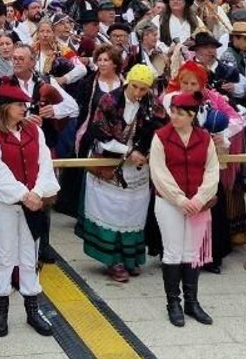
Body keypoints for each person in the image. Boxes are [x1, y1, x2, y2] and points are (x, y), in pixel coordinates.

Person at [0, 77, 58, 338]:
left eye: (25, 104)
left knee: (29, 256)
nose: (25, 108)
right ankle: (1, 313)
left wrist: (37, 192)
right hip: (5, 206)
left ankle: (32, 310)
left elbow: (45, 163)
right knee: (3, 257)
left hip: (32, 204)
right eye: (19, 104)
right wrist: (25, 194)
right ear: (5, 107)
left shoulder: (35, 131)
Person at [76, 62, 161, 283]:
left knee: (133, 212)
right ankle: (114, 260)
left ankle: (131, 258)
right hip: (110, 163)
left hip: (137, 168)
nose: (138, 92)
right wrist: (128, 151)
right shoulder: (109, 100)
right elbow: (100, 134)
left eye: (143, 89)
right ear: (127, 82)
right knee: (111, 212)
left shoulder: (151, 103)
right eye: (135, 86)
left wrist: (145, 151)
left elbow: (158, 128)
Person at [148, 89, 220, 327]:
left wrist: (199, 199)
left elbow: (212, 171)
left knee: (191, 253)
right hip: (169, 203)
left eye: (180, 113)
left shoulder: (205, 138)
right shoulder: (161, 137)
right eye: (173, 111)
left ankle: (192, 302)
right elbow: (159, 173)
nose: (174, 117)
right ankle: (173, 303)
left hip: (197, 204)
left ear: (192, 115)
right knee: (173, 252)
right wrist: (180, 199)